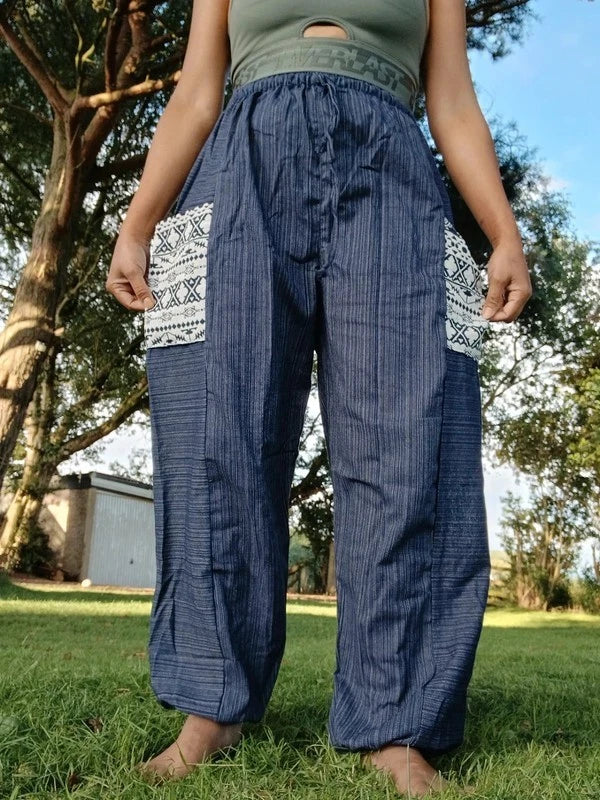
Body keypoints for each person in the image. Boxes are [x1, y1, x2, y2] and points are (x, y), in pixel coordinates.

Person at [106, 0, 532, 795]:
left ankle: (396, 721)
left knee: (408, 444)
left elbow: (451, 101)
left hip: (392, 171)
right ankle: (213, 706)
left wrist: (502, 232)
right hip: (243, 167)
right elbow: (197, 93)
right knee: (220, 436)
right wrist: (137, 225)